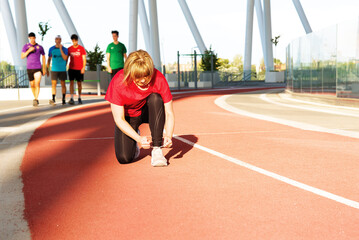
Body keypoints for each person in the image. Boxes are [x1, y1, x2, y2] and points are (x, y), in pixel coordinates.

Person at [105, 50, 175, 167]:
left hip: (147, 112)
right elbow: (119, 119)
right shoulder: (118, 81)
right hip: (129, 117)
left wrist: (168, 135)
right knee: (124, 158)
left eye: (146, 76)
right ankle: (134, 134)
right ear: (130, 73)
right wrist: (139, 139)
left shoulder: (158, 77)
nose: (143, 80)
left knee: (156, 98)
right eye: (138, 77)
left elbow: (169, 113)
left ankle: (157, 150)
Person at [21, 32, 47, 106]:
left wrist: (44, 68)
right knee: (32, 85)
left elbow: (44, 56)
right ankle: (34, 97)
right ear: (29, 38)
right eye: (31, 38)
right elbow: (22, 56)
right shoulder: (25, 46)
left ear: (35, 38)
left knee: (37, 83)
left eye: (33, 38)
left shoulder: (39, 47)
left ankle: (36, 99)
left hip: (38, 67)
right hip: (29, 68)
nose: (32, 39)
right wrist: (29, 50)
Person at [47, 35, 68, 105]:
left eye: (59, 39)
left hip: (62, 69)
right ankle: (53, 99)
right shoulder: (51, 49)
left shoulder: (65, 49)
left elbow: (65, 58)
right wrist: (47, 68)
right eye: (57, 39)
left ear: (61, 40)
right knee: (53, 84)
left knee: (63, 84)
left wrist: (61, 49)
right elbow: (49, 59)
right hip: (54, 69)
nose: (58, 41)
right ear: (55, 40)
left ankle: (64, 99)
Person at [67, 34, 86, 104]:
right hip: (71, 68)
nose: (75, 42)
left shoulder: (81, 48)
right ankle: (71, 98)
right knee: (71, 83)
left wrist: (83, 68)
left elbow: (84, 59)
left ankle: (79, 97)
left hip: (79, 69)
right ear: (72, 41)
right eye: (73, 41)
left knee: (79, 84)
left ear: (77, 40)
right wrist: (66, 65)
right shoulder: (69, 49)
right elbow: (67, 58)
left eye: (76, 41)